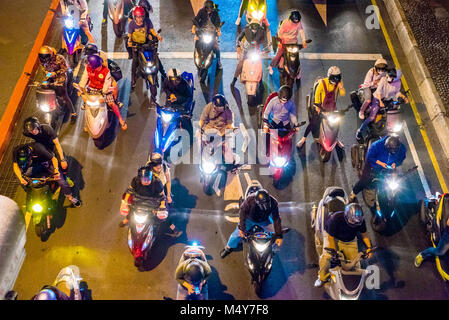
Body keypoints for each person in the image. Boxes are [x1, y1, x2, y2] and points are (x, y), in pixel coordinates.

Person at [315, 203, 373, 287]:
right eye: (352, 221)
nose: (354, 224)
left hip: (349, 240)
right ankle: (322, 278)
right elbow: (330, 238)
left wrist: (369, 247)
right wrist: (334, 252)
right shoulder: (335, 219)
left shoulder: (360, 221)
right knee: (327, 258)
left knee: (353, 263)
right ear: (346, 216)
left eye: (356, 223)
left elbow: (364, 234)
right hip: (333, 237)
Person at [220, 189, 283, 258]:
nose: (266, 206)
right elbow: (242, 213)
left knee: (273, 233)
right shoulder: (249, 200)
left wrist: (279, 236)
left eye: (267, 203)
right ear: (256, 202)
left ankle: (271, 249)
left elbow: (276, 219)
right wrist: (242, 228)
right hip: (249, 220)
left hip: (264, 220)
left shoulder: (274, 202)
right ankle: (228, 247)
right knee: (237, 234)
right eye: (263, 204)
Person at [13, 143, 81, 207]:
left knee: (62, 182)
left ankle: (70, 197)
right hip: (34, 165)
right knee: (20, 179)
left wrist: (56, 170)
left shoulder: (39, 149)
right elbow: (15, 165)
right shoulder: (16, 151)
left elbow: (53, 159)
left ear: (30, 154)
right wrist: (21, 178)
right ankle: (31, 194)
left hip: (47, 162)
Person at [296, 66, 345, 148]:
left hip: (332, 107)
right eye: (334, 77)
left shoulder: (339, 83)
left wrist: (341, 87)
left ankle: (336, 139)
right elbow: (317, 95)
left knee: (337, 123)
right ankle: (303, 139)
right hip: (321, 106)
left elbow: (342, 93)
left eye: (337, 77)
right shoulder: (323, 83)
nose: (336, 79)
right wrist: (317, 107)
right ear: (329, 76)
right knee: (313, 122)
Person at [356, 68, 408, 141]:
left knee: (391, 115)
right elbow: (379, 91)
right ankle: (359, 132)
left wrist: (403, 97)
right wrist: (380, 101)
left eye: (391, 77)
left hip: (387, 100)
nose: (388, 77)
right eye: (388, 75)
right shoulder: (383, 79)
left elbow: (397, 92)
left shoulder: (398, 83)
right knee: (371, 117)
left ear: (396, 78)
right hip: (377, 99)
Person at [349, 135, 407, 202]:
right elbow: (370, 157)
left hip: (389, 166)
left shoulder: (402, 148)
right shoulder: (376, 145)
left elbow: (401, 158)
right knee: (365, 180)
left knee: (395, 180)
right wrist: (380, 163)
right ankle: (353, 193)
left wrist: (396, 163)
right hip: (374, 164)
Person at [78, 55, 127, 130]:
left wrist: (104, 93)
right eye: (98, 66)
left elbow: (107, 84)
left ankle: (120, 119)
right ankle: (87, 122)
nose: (100, 67)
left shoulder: (106, 71)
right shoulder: (87, 68)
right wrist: (81, 89)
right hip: (92, 88)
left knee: (112, 104)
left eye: (100, 65)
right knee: (87, 104)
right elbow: (84, 79)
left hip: (103, 90)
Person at [127, 6, 165, 91]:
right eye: (138, 17)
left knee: (155, 57)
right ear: (134, 17)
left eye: (141, 17)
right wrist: (130, 41)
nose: (140, 19)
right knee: (135, 60)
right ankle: (133, 78)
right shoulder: (132, 24)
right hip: (137, 45)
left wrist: (157, 36)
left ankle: (163, 74)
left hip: (147, 43)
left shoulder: (147, 21)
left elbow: (152, 30)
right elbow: (130, 35)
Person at [38, 45, 77, 123]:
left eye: (46, 57)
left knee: (64, 96)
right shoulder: (42, 60)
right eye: (43, 57)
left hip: (61, 77)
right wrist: (48, 75)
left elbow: (65, 69)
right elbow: (44, 69)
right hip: (50, 76)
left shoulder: (59, 58)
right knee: (43, 87)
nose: (44, 59)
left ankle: (73, 113)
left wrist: (55, 73)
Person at [148, 152, 182, 237]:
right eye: (156, 165)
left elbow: (168, 181)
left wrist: (168, 196)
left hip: (163, 192)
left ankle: (173, 228)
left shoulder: (164, 167)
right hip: (151, 192)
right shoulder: (147, 170)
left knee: (166, 215)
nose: (159, 167)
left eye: (159, 164)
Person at [268, 10, 308, 75]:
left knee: (296, 56)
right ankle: (270, 66)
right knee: (278, 55)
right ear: (290, 19)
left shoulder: (299, 23)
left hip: (293, 42)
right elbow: (280, 33)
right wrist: (280, 42)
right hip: (284, 42)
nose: (295, 23)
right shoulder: (285, 23)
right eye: (294, 21)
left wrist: (304, 40)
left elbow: (301, 32)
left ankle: (298, 71)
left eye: (297, 21)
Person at [231, 21, 269, 87]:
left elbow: (264, 41)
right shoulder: (246, 29)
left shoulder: (262, 31)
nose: (254, 31)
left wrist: (266, 49)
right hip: (246, 50)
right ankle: (234, 80)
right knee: (240, 64)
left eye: (255, 30)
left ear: (258, 28)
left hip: (255, 51)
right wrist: (238, 46)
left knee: (259, 65)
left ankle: (260, 81)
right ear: (250, 28)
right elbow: (238, 38)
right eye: (253, 30)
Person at [192, 0, 223, 71]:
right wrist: (193, 27)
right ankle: (197, 55)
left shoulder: (215, 13)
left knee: (216, 48)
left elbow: (218, 22)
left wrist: (218, 30)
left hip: (212, 32)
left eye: (210, 9)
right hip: (202, 31)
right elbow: (196, 19)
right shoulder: (201, 11)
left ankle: (218, 61)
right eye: (208, 9)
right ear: (205, 8)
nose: (209, 11)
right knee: (196, 41)